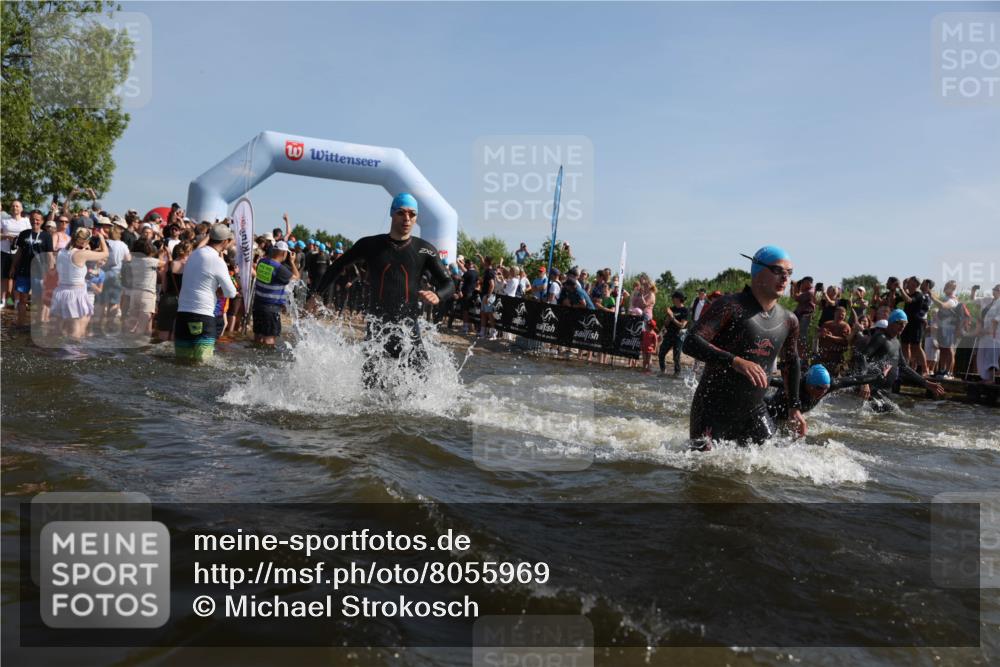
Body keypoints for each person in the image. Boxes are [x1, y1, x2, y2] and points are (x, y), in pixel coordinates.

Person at [315, 193, 454, 386]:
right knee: (371, 387)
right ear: (392, 214)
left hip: (408, 328)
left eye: (412, 214)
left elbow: (449, 284)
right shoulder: (370, 245)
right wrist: (315, 296)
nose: (407, 219)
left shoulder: (425, 250)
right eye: (401, 213)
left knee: (422, 385)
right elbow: (337, 267)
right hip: (378, 327)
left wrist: (438, 295)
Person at [682, 245, 804, 448]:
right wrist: (735, 361)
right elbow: (691, 342)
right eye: (777, 270)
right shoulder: (730, 305)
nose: (785, 278)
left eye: (789, 273)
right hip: (713, 409)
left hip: (754, 409)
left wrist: (795, 407)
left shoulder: (789, 320)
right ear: (757, 272)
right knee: (703, 473)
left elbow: (791, 362)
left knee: (769, 466)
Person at [854, 309, 946, 411]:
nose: (902, 326)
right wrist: (864, 383)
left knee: (890, 419)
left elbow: (904, 367)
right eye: (900, 323)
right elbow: (862, 357)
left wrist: (925, 383)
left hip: (886, 392)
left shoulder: (897, 342)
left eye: (905, 324)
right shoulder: (880, 337)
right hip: (871, 390)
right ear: (891, 322)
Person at [174, 223, 237, 362]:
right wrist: (219, 290)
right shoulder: (217, 260)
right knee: (203, 365)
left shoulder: (194, 254)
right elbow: (231, 292)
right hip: (203, 316)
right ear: (225, 241)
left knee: (180, 363)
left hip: (182, 314)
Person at [764, 364, 887, 422]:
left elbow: (855, 379)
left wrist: (878, 376)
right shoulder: (796, 384)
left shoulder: (828, 386)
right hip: (771, 411)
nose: (822, 392)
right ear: (809, 384)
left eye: (825, 388)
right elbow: (769, 379)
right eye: (819, 388)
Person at [50, 227, 108, 341]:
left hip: (60, 291)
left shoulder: (61, 252)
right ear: (86, 241)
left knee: (61, 331)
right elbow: (105, 253)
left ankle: (57, 355)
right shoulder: (81, 254)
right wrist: (101, 237)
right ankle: (73, 356)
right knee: (76, 333)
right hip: (75, 294)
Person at [9, 210, 53, 328]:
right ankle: (21, 322)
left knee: (38, 300)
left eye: (38, 219)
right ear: (29, 220)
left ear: (42, 221)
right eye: (33, 219)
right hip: (24, 271)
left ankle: (37, 324)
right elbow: (19, 252)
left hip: (40, 273)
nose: (35, 221)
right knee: (22, 298)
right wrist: (13, 266)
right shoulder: (24, 234)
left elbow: (49, 255)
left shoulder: (46, 236)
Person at [252, 240, 299, 347]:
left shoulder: (261, 262)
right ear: (284, 253)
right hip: (271, 309)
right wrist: (292, 262)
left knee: (257, 338)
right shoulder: (279, 268)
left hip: (258, 306)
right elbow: (296, 278)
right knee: (269, 340)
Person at [156, 241, 191, 341]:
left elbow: (164, 287)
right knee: (177, 332)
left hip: (168, 299)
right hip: (184, 301)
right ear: (188, 252)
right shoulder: (189, 266)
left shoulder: (170, 264)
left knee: (163, 330)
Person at [2, 200, 31, 308]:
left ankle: (17, 301)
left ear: (21, 209)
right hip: (5, 250)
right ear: (10, 208)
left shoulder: (26, 221)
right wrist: (7, 237)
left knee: (17, 277)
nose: (15, 208)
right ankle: (4, 300)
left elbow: (30, 234)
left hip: (21, 252)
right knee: (5, 277)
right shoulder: (5, 221)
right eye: (13, 206)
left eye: (17, 206)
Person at [970, 284, 1000, 384]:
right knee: (981, 356)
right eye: (995, 289)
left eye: (997, 290)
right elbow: (973, 300)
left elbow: (996, 320)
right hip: (983, 334)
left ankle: (991, 379)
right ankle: (985, 378)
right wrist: (973, 291)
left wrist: (985, 331)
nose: (995, 291)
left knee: (991, 356)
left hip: (994, 335)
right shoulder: (987, 300)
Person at [658, 291, 689, 376]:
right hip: (669, 334)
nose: (672, 299)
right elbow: (666, 323)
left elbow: (682, 325)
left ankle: (677, 373)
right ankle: (663, 371)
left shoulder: (685, 310)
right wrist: (668, 316)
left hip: (679, 335)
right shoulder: (671, 309)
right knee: (661, 352)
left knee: (676, 356)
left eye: (673, 298)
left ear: (678, 299)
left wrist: (672, 317)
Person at [816, 306, 852, 376]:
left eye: (843, 315)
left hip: (836, 356)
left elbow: (845, 341)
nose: (841, 316)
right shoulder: (827, 324)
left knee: (833, 376)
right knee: (820, 374)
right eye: (839, 314)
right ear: (835, 313)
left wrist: (831, 337)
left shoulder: (845, 326)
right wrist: (821, 334)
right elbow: (819, 336)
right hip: (823, 355)